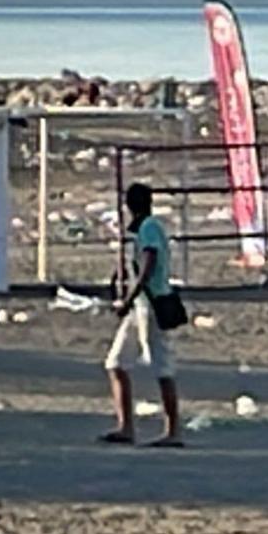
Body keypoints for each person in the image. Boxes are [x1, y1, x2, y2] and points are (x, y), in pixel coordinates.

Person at [100, 183, 182, 447]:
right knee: (116, 363)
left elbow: (148, 264)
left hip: (152, 304)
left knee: (161, 366)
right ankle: (126, 427)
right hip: (140, 306)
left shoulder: (149, 228)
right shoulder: (145, 229)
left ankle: (173, 430)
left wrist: (128, 299)